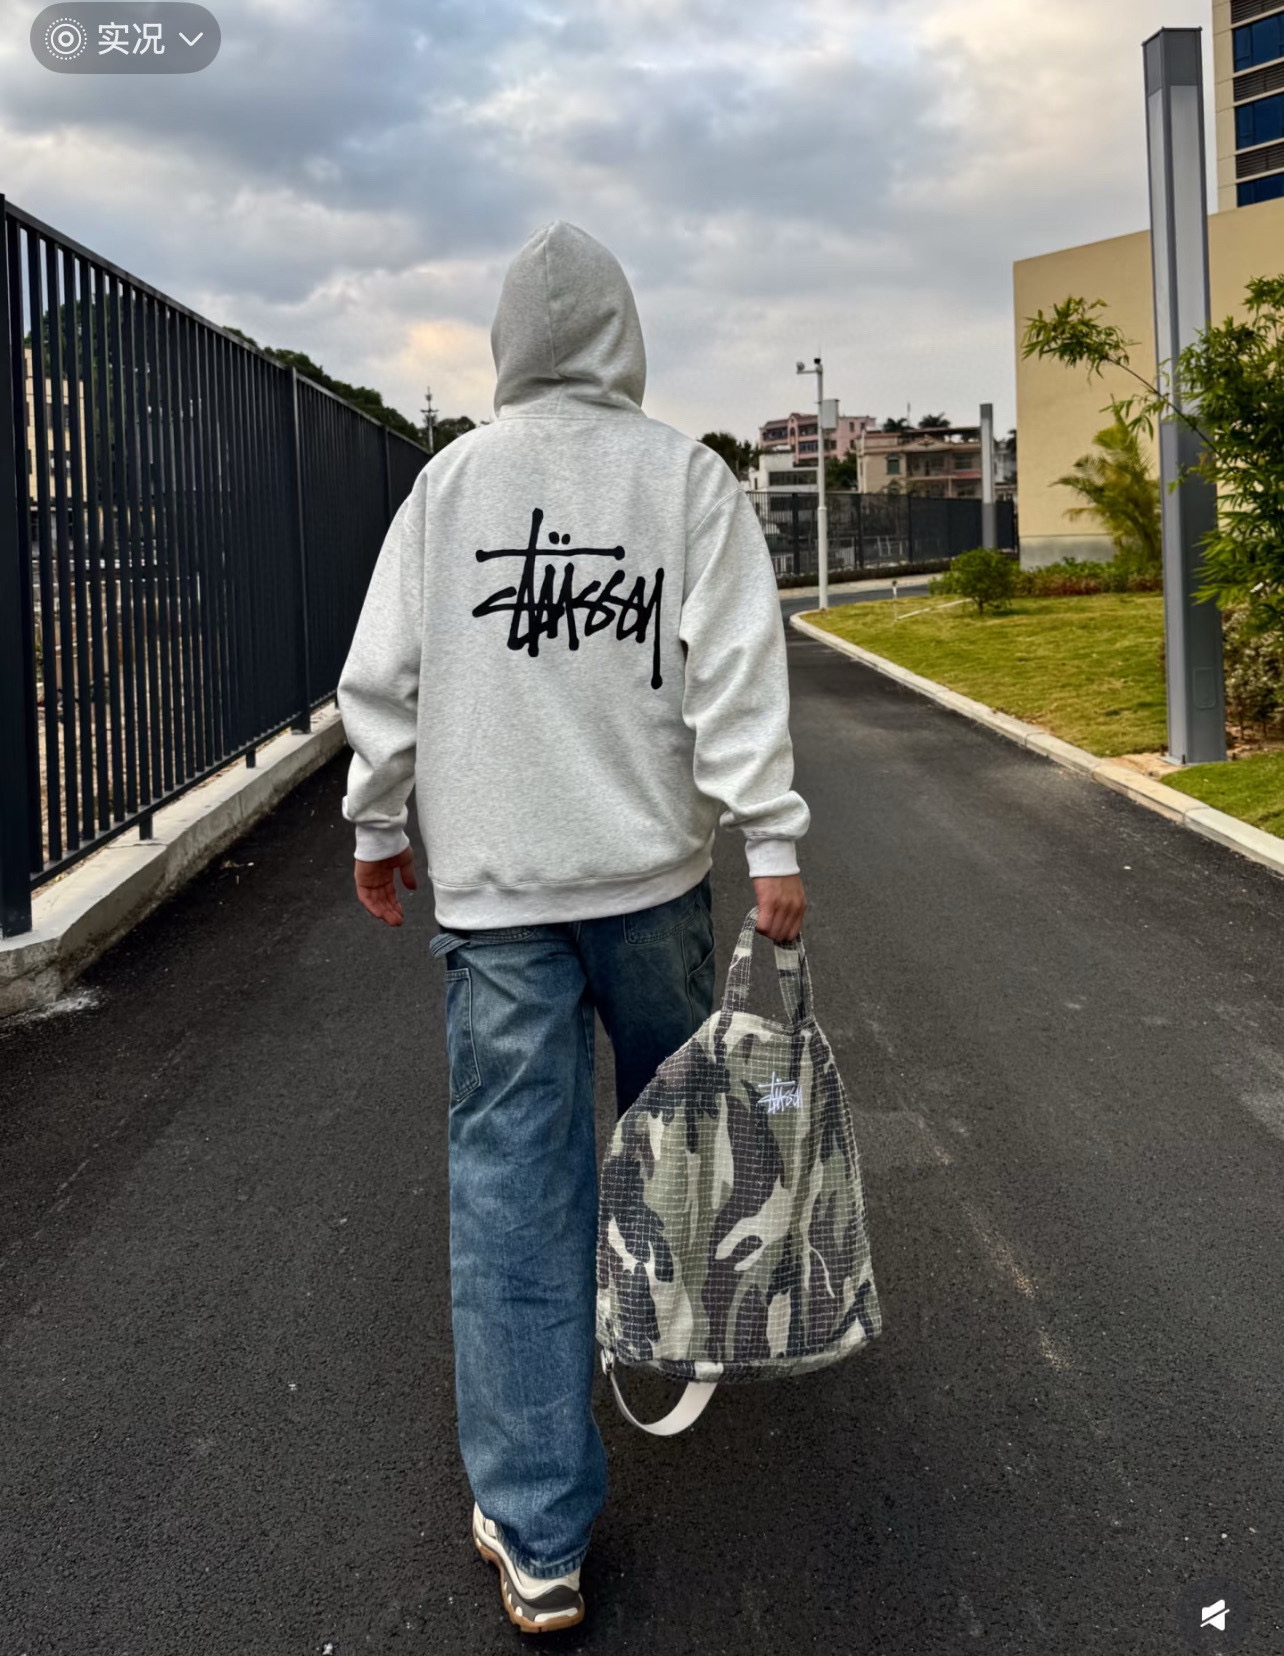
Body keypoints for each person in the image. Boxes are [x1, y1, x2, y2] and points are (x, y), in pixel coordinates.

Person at [336, 221, 809, 1634]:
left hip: (498, 904)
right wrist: (771, 837)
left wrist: (377, 825)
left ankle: (539, 1530)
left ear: (507, 342)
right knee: (676, 1132)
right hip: (652, 879)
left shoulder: (449, 486)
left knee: (512, 1193)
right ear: (623, 333)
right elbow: (737, 670)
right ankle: (681, 1329)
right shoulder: (685, 478)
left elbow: (384, 676)